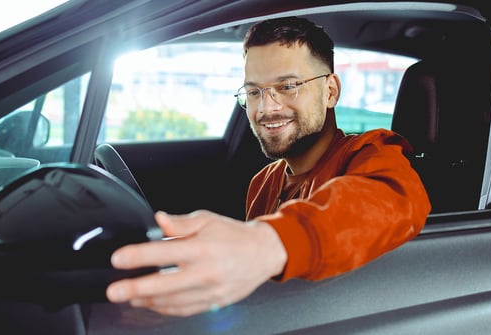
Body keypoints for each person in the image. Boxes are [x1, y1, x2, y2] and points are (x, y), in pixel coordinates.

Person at [105, 16, 431, 317]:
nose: (266, 108)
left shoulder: (367, 152)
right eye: (253, 92)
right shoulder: (263, 181)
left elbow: (393, 197)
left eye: (287, 86)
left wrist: (265, 243)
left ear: (330, 91)